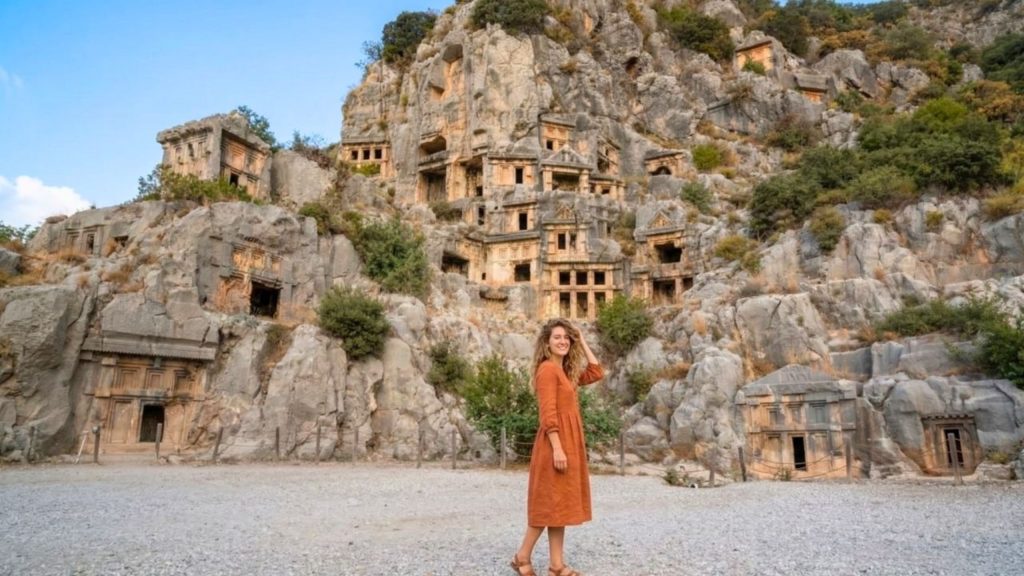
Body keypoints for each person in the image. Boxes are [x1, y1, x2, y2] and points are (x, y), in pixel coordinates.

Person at [511, 318, 604, 576]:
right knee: (547, 505)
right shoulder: (547, 370)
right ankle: (521, 557)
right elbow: (547, 414)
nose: (562, 341)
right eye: (557, 337)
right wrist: (558, 448)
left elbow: (596, 371)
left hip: (567, 443)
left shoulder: (566, 372)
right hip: (555, 445)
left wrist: (581, 339)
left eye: (566, 338)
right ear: (547, 343)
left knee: (559, 507)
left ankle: (555, 565)